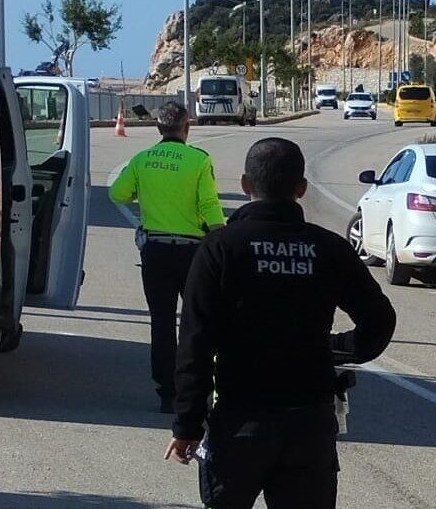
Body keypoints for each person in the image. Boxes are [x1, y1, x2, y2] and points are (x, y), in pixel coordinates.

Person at [164, 138, 397, 509]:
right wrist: (335, 349)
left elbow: (195, 341)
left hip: (239, 422)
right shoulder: (328, 248)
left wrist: (187, 425)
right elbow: (380, 321)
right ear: (301, 189)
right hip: (309, 424)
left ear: (245, 184)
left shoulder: (221, 248)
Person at [109, 101, 225, 413]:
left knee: (161, 321)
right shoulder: (199, 159)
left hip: (156, 251)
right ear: (186, 128)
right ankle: (198, 388)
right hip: (193, 252)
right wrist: (222, 237)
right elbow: (209, 204)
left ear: (158, 128)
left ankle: (167, 392)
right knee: (197, 322)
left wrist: (144, 194)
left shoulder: (142, 159)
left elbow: (117, 193)